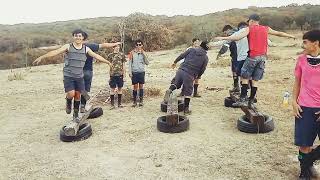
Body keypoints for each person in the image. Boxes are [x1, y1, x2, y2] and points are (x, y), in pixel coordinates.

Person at [215, 14, 296, 108]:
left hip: (253, 56)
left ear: (252, 21)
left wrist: (223, 38)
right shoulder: (266, 28)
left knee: (244, 77)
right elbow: (279, 33)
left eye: (249, 21)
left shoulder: (249, 28)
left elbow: (237, 37)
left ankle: (242, 100)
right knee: (255, 80)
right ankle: (251, 101)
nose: (248, 23)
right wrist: (290, 36)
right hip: (262, 58)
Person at [33, 29, 112, 120]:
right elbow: (55, 52)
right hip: (69, 76)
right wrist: (42, 57)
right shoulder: (68, 46)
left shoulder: (86, 49)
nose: (78, 37)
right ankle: (68, 101)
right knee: (71, 94)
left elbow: (96, 56)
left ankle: (75, 115)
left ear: (83, 38)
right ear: (73, 37)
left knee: (78, 95)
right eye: (76, 35)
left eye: (79, 36)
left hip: (79, 76)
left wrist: (107, 62)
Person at [292, 30, 320, 179]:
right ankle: (304, 172)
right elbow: (297, 82)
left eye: (305, 42)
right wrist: (293, 102)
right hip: (304, 107)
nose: (303, 44)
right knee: (304, 144)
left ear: (315, 43)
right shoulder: (301, 60)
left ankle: (309, 161)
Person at [164, 41, 209, 115]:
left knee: (176, 84)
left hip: (181, 70)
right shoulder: (205, 57)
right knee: (188, 91)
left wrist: (175, 62)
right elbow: (203, 69)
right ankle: (186, 109)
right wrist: (198, 76)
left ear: (200, 45)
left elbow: (182, 55)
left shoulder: (191, 49)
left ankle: (169, 90)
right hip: (190, 74)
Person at [128, 39, 149, 107]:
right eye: (137, 45)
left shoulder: (143, 53)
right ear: (135, 45)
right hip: (134, 72)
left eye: (140, 44)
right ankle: (134, 102)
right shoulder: (132, 53)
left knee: (141, 86)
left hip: (141, 72)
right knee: (135, 87)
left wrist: (144, 54)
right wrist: (130, 72)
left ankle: (141, 101)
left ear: (142, 45)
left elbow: (147, 63)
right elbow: (130, 63)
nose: (138, 46)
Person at [107, 43, 126, 109]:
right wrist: (109, 76)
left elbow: (124, 65)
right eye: (116, 47)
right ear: (113, 48)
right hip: (113, 75)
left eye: (118, 47)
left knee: (120, 89)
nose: (117, 48)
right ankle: (112, 105)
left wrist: (124, 76)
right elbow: (109, 66)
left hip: (120, 74)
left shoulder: (122, 55)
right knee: (112, 89)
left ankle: (119, 104)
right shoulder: (110, 55)